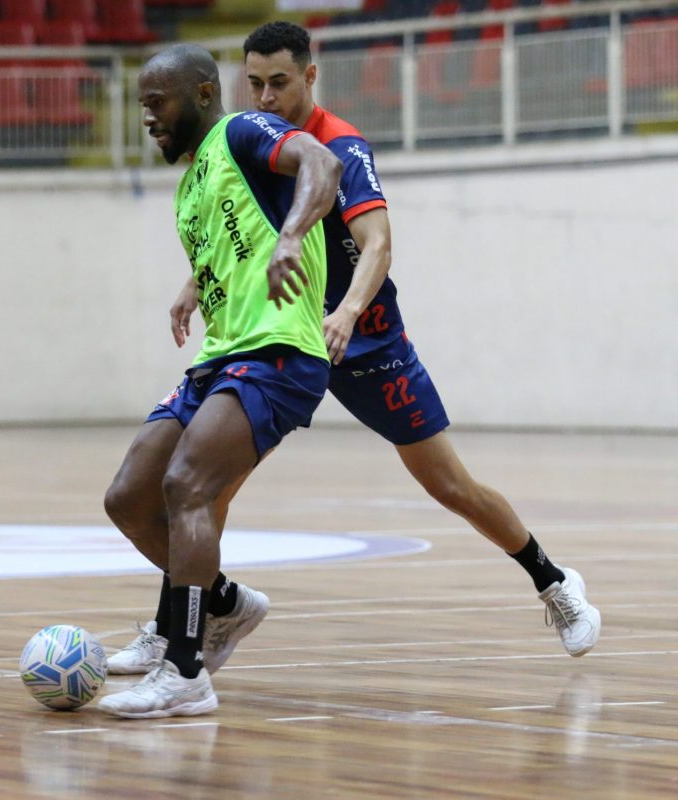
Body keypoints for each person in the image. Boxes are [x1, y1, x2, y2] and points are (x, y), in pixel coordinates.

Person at [108, 21, 601, 681]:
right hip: (282, 341)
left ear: (310, 77)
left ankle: (553, 581)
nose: (266, 97)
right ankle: (183, 625)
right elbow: (242, 224)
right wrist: (196, 283)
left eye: (279, 83)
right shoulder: (252, 142)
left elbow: (377, 245)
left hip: (361, 339)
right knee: (201, 487)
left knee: (448, 484)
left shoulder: (339, 146)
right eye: (253, 83)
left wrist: (344, 312)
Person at [97, 44, 343, 719]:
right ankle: (225, 603)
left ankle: (185, 671)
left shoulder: (243, 131)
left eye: (157, 103)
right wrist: (194, 288)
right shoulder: (191, 184)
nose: (147, 118)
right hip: (223, 356)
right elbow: (235, 249)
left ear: (204, 94)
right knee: (128, 497)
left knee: (188, 486)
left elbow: (321, 164)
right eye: (142, 105)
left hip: (280, 353)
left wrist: (295, 234)